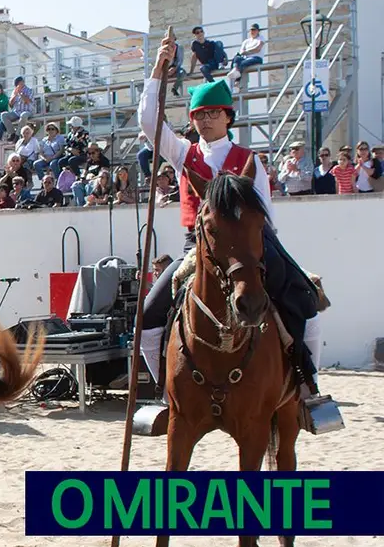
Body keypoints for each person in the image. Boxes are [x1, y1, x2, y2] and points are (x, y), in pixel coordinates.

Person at [136, 33, 326, 414]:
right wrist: (159, 67)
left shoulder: (247, 158)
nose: (205, 120)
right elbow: (147, 119)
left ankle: (307, 385)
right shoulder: (183, 154)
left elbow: (267, 214)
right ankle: (166, 389)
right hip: (198, 248)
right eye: (199, 115)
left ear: (227, 116)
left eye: (213, 113)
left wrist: (264, 253)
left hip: (253, 246)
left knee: (307, 302)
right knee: (148, 318)